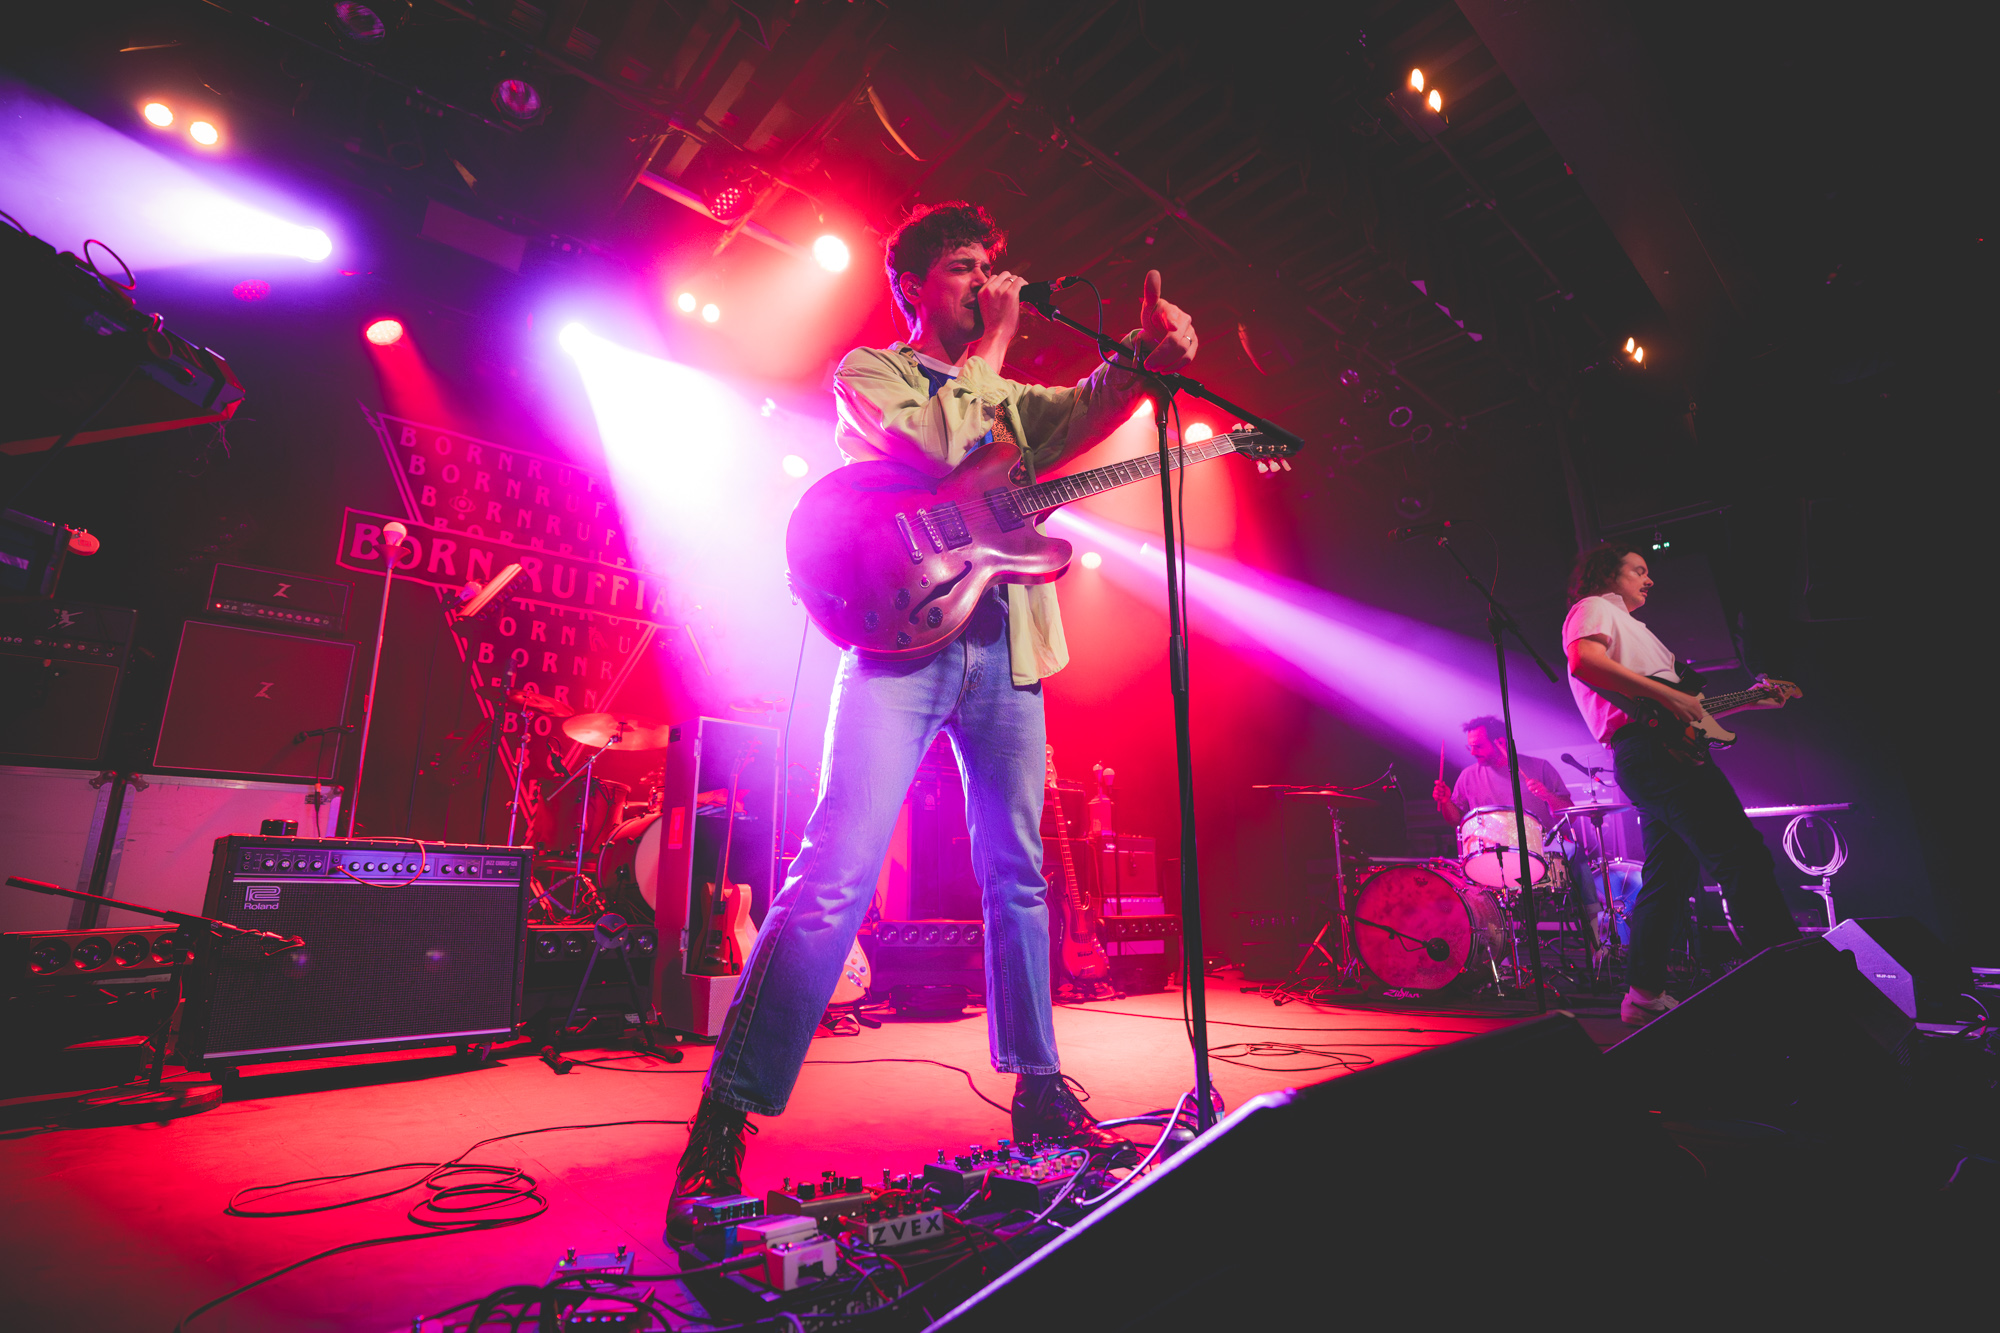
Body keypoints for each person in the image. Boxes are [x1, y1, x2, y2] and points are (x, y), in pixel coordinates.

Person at [667, 202, 1199, 1215]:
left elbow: (1090, 406)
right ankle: (725, 1118)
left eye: (986, 270)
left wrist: (1147, 352)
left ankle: (1039, 1092)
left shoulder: (1010, 396)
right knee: (833, 868)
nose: (982, 284)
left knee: (1020, 876)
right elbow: (943, 458)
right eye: (961, 269)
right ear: (912, 285)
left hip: (1006, 652)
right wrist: (992, 349)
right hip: (900, 643)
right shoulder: (871, 375)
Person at [1560, 544, 1800, 1025]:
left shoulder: (1642, 634)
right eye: (1639, 571)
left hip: (1658, 752)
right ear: (1610, 573)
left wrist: (1752, 700)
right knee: (1740, 855)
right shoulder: (1594, 609)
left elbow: (1686, 709)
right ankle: (1791, 978)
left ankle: (1643, 992)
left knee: (1670, 880)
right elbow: (1583, 662)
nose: (1649, 581)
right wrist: (1669, 695)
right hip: (1652, 752)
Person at [1430, 715, 1573, 829]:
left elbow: (1570, 816)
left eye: (1478, 746)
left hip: (1539, 853)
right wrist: (1445, 801)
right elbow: (1457, 821)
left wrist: (1548, 795)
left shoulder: (1539, 767)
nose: (1473, 752)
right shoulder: (1468, 776)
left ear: (1500, 742)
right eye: (1470, 747)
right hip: (1490, 855)